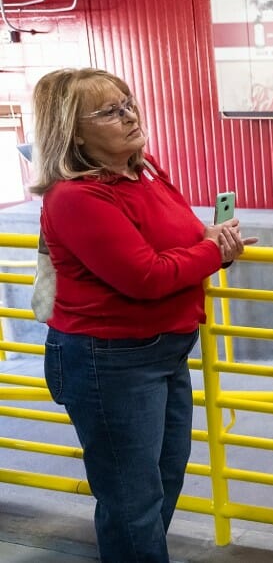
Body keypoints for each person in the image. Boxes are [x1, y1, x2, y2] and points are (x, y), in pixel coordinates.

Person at [31, 67, 255, 562]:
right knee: (131, 501)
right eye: (109, 111)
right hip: (108, 361)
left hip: (165, 351)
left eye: (128, 102)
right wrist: (213, 252)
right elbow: (145, 277)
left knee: (165, 478)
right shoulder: (75, 197)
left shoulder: (144, 170)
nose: (129, 115)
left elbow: (191, 236)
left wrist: (217, 243)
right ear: (73, 132)